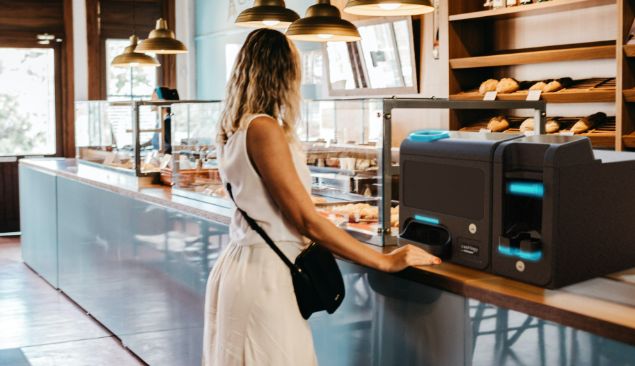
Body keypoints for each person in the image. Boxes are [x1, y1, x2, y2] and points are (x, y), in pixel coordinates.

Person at [202, 28, 441, 366]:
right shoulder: (263, 128)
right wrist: (386, 260)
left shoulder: (235, 128)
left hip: (244, 265)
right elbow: (305, 221)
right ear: (283, 72)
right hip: (265, 276)